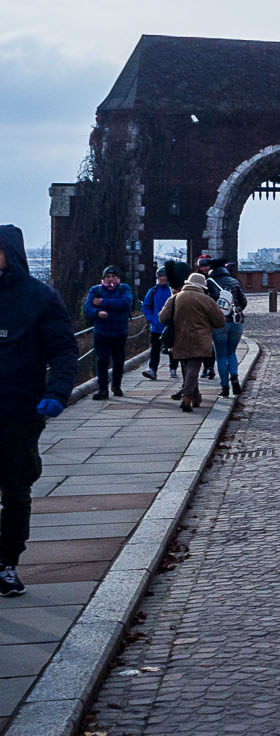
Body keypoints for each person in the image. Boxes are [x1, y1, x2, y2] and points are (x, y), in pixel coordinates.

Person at [0, 225, 78, 597]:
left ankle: (7, 562)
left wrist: (58, 392)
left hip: (19, 408)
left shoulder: (40, 298)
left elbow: (63, 349)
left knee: (15, 488)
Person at [159, 273, 223, 412]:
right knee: (194, 367)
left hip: (179, 338)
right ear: (202, 286)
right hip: (200, 339)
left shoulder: (175, 298)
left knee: (186, 367)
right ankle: (187, 397)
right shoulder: (206, 300)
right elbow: (220, 321)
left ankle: (195, 395)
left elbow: (162, 318)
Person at [81, 266, 133, 399]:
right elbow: (87, 308)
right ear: (102, 279)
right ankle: (103, 389)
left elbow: (125, 303)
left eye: (113, 277)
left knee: (118, 360)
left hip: (120, 331)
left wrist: (104, 302)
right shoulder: (95, 290)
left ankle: (116, 386)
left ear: (118, 279)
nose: (111, 280)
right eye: (108, 277)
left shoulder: (124, 289)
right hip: (101, 331)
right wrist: (97, 313)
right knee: (102, 360)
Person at [198, 255, 247, 399]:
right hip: (236, 322)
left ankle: (225, 387)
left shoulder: (209, 283)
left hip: (218, 323)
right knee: (231, 352)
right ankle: (235, 378)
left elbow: (206, 304)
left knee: (220, 355)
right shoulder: (235, 282)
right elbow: (243, 302)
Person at [139, 262, 184, 381]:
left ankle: (173, 368)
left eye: (164, 276)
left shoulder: (174, 290)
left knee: (172, 348)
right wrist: (151, 319)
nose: (162, 278)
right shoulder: (153, 291)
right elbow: (146, 306)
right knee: (155, 349)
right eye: (160, 276)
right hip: (156, 326)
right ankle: (152, 369)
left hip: (171, 326)